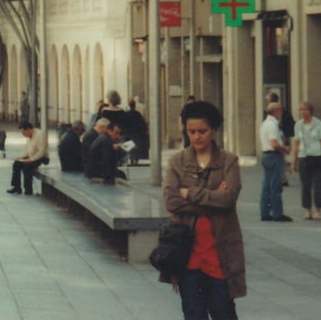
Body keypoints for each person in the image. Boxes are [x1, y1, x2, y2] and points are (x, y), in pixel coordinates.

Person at [162, 101, 246, 319]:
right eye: (191, 131)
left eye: (203, 131)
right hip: (188, 255)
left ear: (214, 130)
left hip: (220, 254)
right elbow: (171, 201)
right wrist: (212, 196)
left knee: (223, 312)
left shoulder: (229, 161)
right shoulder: (177, 162)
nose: (197, 137)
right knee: (193, 313)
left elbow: (228, 200)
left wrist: (189, 193)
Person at [292, 101, 321, 221]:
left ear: (311, 111)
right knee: (305, 185)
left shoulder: (318, 124)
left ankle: (318, 210)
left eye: (305, 110)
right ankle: (307, 210)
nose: (303, 112)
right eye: (301, 110)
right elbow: (297, 143)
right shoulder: (298, 125)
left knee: (317, 185)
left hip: (317, 156)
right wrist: (294, 160)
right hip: (303, 156)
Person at [260, 102, 292, 222]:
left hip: (266, 155)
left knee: (267, 186)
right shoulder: (273, 125)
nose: (281, 114)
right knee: (275, 186)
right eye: (280, 111)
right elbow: (274, 143)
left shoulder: (264, 124)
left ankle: (265, 212)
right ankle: (278, 213)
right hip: (273, 156)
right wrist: (285, 148)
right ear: (276, 111)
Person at [7, 121, 49, 195]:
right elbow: (27, 151)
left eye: (24, 133)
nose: (23, 135)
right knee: (16, 164)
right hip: (31, 156)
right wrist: (18, 157)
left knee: (27, 167)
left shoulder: (40, 135)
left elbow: (41, 151)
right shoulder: (29, 137)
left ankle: (28, 190)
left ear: (29, 129)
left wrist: (31, 159)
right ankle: (17, 187)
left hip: (42, 158)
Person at [122, 98, 149, 163]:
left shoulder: (126, 114)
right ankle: (136, 159)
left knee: (130, 147)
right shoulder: (138, 114)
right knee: (136, 147)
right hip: (137, 134)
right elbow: (143, 124)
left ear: (129, 105)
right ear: (135, 106)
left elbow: (123, 124)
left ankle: (131, 159)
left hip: (128, 134)